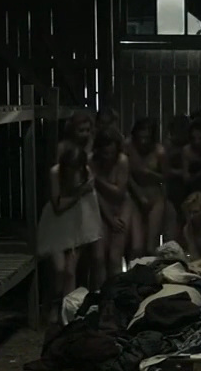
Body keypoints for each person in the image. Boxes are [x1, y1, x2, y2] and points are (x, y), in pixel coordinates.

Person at [37, 144, 99, 304]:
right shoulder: (56, 172)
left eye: (76, 167)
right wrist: (80, 192)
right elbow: (58, 206)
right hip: (56, 224)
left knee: (70, 272)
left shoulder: (86, 172)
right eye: (70, 167)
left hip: (77, 223)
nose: (73, 171)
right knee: (59, 269)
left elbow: (89, 204)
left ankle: (67, 310)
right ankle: (53, 305)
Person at [89, 129, 133, 287]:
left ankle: (116, 294)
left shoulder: (122, 160)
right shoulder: (91, 161)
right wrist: (109, 218)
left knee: (115, 256)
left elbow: (119, 192)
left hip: (121, 206)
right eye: (105, 153)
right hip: (98, 206)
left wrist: (97, 180)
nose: (108, 157)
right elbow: (93, 193)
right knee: (98, 257)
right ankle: (100, 294)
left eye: (111, 153)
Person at [124, 117, 167, 257]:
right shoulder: (128, 147)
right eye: (140, 137)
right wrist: (138, 194)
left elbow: (166, 177)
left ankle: (151, 269)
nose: (143, 141)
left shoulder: (159, 152)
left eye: (147, 138)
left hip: (155, 197)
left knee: (151, 245)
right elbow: (126, 175)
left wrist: (149, 174)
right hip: (134, 196)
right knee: (136, 246)